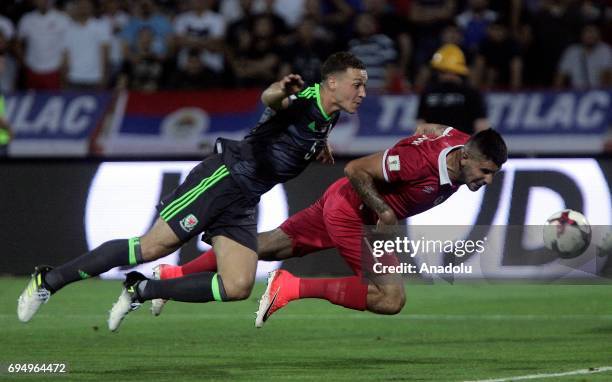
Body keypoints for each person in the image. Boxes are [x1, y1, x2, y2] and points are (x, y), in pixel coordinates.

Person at [16, 52, 368, 331]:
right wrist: (279, 90)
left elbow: (297, 130)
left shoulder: (328, 113)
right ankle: (49, 279)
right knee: (151, 247)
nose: (362, 93)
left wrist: (319, 143)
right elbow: (273, 100)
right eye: (357, 84)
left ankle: (144, 290)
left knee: (238, 285)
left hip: (245, 198)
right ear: (332, 82)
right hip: (224, 178)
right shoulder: (304, 99)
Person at [151, 126, 507, 324]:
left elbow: (431, 127)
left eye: (493, 174)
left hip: (342, 203)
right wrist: (383, 211)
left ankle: (173, 276)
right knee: (390, 298)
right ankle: (290, 286)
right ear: (464, 156)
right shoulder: (418, 164)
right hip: (356, 213)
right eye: (485, 172)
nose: (487, 180)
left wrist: (422, 132)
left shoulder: (460, 145)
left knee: (263, 247)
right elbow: (355, 170)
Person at [417, 43, 489, 135]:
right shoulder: (471, 92)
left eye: (442, 71)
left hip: (443, 147)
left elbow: (420, 126)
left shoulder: (428, 92)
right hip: (459, 147)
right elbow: (481, 127)